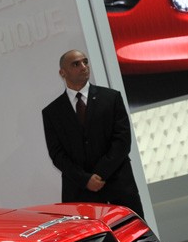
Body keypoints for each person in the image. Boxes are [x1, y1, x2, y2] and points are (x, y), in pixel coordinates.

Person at [41, 49, 144, 218]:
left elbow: (122, 141)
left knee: (133, 232)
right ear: (62, 73)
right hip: (79, 194)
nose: (83, 66)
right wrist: (85, 180)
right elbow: (57, 154)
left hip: (118, 185)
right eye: (76, 64)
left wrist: (99, 175)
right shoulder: (52, 112)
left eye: (85, 62)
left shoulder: (111, 98)